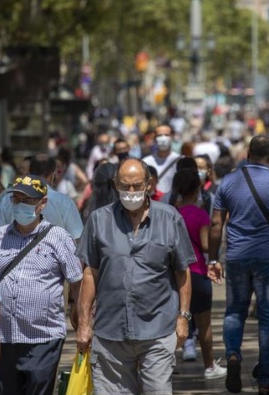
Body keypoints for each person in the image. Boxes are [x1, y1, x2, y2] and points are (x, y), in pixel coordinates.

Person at [75, 158, 194, 395]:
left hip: (158, 330)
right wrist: (84, 323)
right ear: (115, 184)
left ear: (149, 184)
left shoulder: (170, 218)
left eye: (137, 185)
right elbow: (90, 272)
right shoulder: (99, 220)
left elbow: (182, 272)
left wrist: (183, 317)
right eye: (125, 186)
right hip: (110, 333)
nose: (131, 192)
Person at [208, 135, 269, 395]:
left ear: (248, 154)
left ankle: (233, 356)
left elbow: (216, 225)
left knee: (234, 311)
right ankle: (265, 380)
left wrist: (213, 258)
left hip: (236, 256)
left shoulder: (228, 182)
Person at [0, 175, 83, 395]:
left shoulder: (58, 238)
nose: (19, 206)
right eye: (16, 200)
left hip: (43, 338)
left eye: (26, 201)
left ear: (42, 204)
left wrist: (83, 322)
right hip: (2, 338)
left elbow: (77, 280)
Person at [171, 167, 227, 379]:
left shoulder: (171, 214)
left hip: (175, 276)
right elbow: (205, 245)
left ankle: (165, 364)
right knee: (204, 325)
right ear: (197, 189)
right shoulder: (201, 215)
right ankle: (210, 366)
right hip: (198, 274)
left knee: (172, 323)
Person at [0, 154, 84, 241]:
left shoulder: (7, 199)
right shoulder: (65, 202)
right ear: (52, 175)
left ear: (29, 173)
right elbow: (76, 238)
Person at [142, 124, 182, 195]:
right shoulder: (146, 162)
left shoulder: (181, 160)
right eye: (159, 135)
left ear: (172, 137)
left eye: (166, 135)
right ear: (154, 138)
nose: (163, 138)